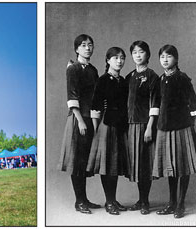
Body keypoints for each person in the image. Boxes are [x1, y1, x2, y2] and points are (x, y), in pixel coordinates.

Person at [152, 45, 196, 219]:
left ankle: (180, 204)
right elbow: (157, 105)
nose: (165, 60)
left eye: (169, 56)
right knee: (170, 167)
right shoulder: (160, 80)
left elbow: (194, 103)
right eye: (162, 57)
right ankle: (171, 203)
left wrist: (190, 122)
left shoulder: (182, 78)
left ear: (176, 59)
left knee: (182, 167)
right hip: (165, 128)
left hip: (182, 128)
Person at [57, 34, 101, 214]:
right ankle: (79, 201)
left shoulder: (93, 70)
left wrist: (95, 122)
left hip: (90, 119)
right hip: (78, 120)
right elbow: (72, 96)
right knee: (77, 161)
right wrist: (81, 121)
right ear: (77, 49)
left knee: (84, 161)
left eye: (90, 45)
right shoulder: (73, 69)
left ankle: (85, 199)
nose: (88, 48)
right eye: (83, 45)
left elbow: (96, 98)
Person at [87, 47, 130, 215]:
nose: (119, 61)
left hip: (120, 128)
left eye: (122, 58)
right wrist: (97, 130)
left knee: (115, 164)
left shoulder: (124, 81)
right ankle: (109, 201)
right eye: (115, 58)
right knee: (107, 165)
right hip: (106, 126)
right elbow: (95, 105)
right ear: (108, 60)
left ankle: (113, 199)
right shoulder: (103, 80)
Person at [123, 41, 160, 215]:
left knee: (145, 164)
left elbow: (155, 103)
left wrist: (150, 126)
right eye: (135, 52)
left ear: (148, 54)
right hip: (131, 126)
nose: (138, 55)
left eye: (141, 52)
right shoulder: (129, 76)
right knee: (137, 164)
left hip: (145, 125)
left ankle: (145, 201)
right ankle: (140, 199)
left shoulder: (153, 76)